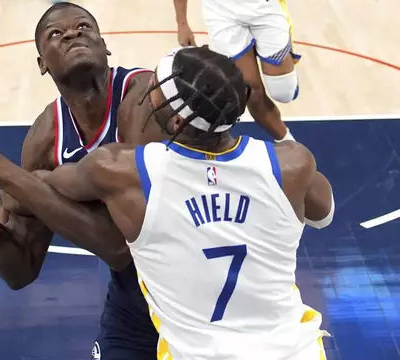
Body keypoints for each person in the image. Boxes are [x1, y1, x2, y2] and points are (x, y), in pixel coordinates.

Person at [40, 46, 334, 359]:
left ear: (177, 121)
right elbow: (323, 215)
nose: (148, 91)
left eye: (156, 90)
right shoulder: (290, 165)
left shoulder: (127, 172)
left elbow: (53, 183)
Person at [0, 2, 169, 359]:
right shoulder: (45, 138)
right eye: (56, 34)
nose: (72, 33)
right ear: (42, 64)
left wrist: (9, 175)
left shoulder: (144, 96)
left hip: (199, 288)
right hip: (135, 299)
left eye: (84, 27)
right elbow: (19, 268)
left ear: (105, 45)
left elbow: (123, 245)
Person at [169, 0, 307, 143]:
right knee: (248, 90)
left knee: (284, 92)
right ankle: (290, 144)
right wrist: (182, 23)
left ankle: (266, 52)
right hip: (219, 5)